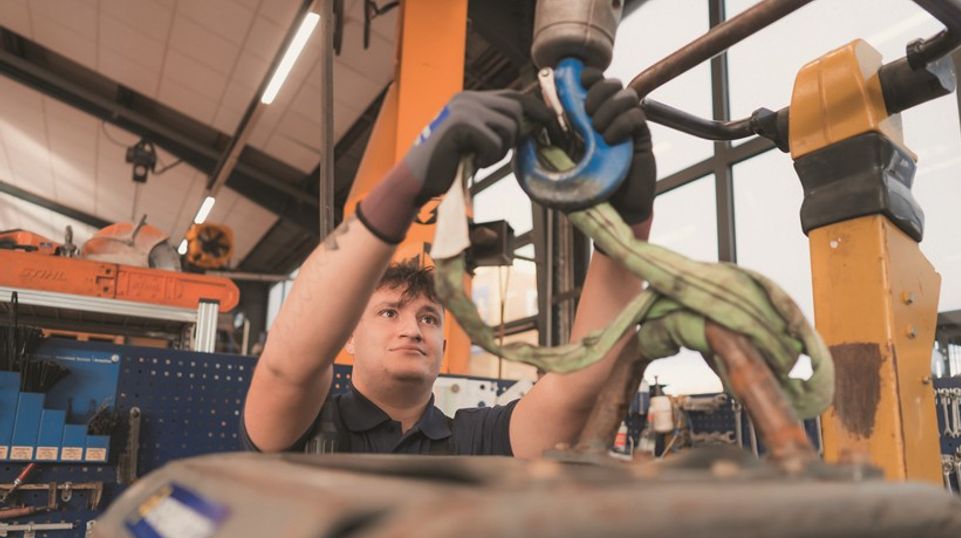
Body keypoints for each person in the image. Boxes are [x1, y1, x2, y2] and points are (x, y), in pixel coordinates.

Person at [242, 68, 656, 458]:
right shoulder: (306, 425)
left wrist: (626, 227)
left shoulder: (479, 438)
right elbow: (286, 369)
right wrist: (407, 184)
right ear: (348, 336)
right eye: (389, 312)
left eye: (428, 318)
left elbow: (578, 390)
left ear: (442, 347)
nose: (412, 330)